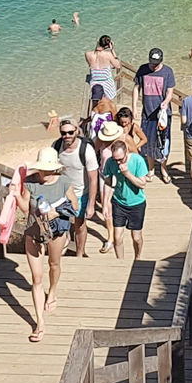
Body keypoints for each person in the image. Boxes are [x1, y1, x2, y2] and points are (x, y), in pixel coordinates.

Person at [19, 146, 76, 342]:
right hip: (33, 232)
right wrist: (16, 195)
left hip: (56, 231)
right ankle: (39, 323)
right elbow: (26, 209)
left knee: (54, 264)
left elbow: (75, 207)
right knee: (36, 278)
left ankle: (52, 291)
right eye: (40, 169)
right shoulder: (30, 183)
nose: (42, 173)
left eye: (46, 169)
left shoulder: (64, 182)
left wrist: (56, 212)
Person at [100, 123, 150, 260]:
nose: (118, 163)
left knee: (136, 237)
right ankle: (120, 262)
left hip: (137, 203)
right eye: (115, 159)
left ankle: (137, 258)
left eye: (120, 159)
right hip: (119, 202)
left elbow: (142, 184)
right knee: (117, 237)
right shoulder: (111, 162)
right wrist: (105, 204)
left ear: (126, 152)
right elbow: (108, 183)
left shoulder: (138, 161)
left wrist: (127, 174)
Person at [56, 119, 103, 257]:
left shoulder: (86, 150)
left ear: (77, 130)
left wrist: (91, 204)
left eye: (70, 132)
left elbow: (93, 179)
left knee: (80, 225)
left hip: (82, 192)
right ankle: (59, 252)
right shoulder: (56, 146)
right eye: (63, 133)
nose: (67, 136)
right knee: (59, 224)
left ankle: (79, 254)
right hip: (62, 192)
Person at [133, 48, 179, 173]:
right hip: (147, 114)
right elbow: (136, 88)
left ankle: (164, 168)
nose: (154, 66)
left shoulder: (168, 71)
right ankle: (151, 168)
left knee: (164, 142)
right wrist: (134, 107)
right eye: (152, 63)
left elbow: (170, 92)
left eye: (156, 64)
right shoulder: (142, 70)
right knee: (147, 142)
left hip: (163, 114)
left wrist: (166, 102)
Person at [85, 35, 127, 108]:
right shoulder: (108, 55)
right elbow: (118, 65)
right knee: (109, 104)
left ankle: (94, 115)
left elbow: (90, 64)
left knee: (95, 106)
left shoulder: (88, 54)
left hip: (95, 83)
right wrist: (112, 50)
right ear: (108, 45)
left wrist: (97, 45)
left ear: (98, 42)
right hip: (107, 83)